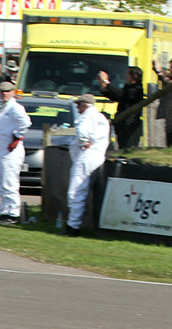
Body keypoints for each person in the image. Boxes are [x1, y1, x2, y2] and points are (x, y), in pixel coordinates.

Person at [65, 93, 110, 236]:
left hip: (86, 157)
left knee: (76, 192)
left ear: (85, 105)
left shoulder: (85, 118)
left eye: (79, 105)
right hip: (99, 156)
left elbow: (82, 133)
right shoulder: (101, 118)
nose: (77, 107)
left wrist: (84, 141)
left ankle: (73, 226)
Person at [0, 82, 30, 226]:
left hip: (11, 152)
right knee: (0, 183)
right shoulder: (3, 108)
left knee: (10, 183)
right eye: (1, 91)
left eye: (7, 91)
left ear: (13, 92)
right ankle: (4, 211)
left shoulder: (15, 107)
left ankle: (13, 214)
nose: (4, 94)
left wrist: (17, 136)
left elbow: (25, 122)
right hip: (1, 151)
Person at [97, 66, 143, 149]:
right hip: (122, 123)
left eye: (127, 74)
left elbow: (121, 95)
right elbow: (117, 97)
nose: (125, 76)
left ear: (134, 76)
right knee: (121, 146)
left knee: (128, 147)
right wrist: (103, 86)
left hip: (130, 124)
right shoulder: (128, 87)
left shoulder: (137, 89)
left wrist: (106, 82)